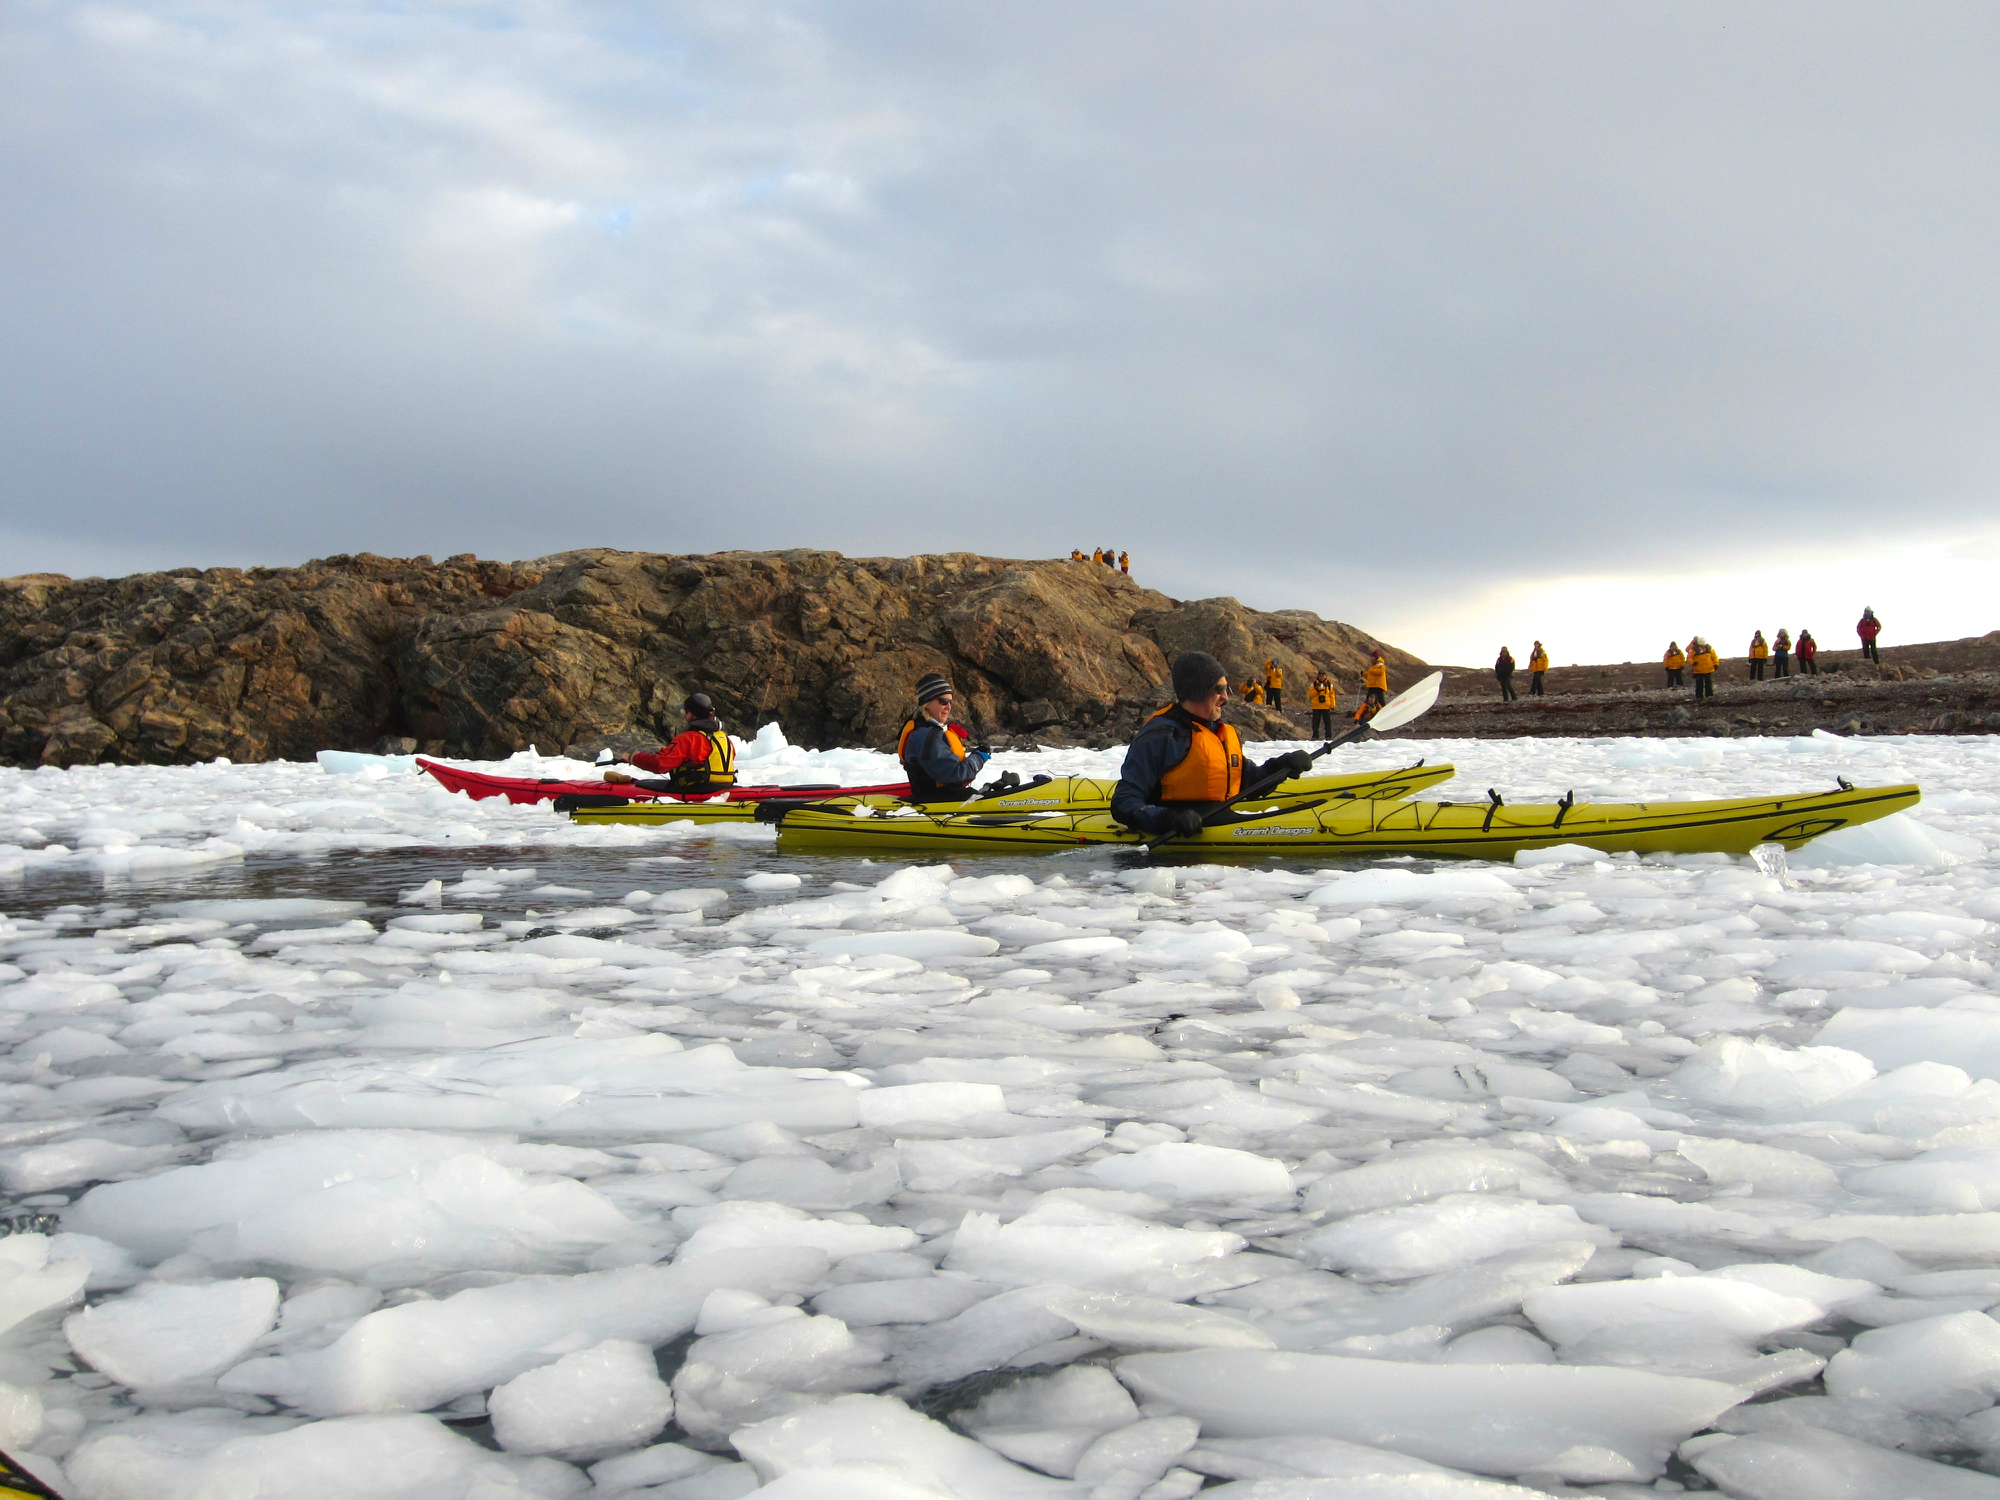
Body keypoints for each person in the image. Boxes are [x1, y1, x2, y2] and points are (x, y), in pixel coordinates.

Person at [1110, 652, 1316, 837]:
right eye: (1220, 689)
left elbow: (1248, 781)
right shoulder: (1162, 736)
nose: (1226, 697)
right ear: (1198, 690)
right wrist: (1168, 819)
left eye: (1227, 689)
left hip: (1219, 819)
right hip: (1181, 836)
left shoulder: (1218, 732)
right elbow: (1124, 802)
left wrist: (1282, 766)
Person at [601, 694, 737, 792]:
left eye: (687, 712)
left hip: (696, 791)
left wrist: (633, 758)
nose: (684, 716)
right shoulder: (723, 737)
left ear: (694, 715)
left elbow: (661, 765)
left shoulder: (689, 738)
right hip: (723, 789)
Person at [897, 673, 990, 802]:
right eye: (943, 701)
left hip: (943, 796)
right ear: (927, 703)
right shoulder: (925, 734)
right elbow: (952, 774)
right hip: (935, 801)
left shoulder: (928, 730)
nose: (949, 707)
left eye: (950, 702)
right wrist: (979, 757)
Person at [1308, 670, 1338, 736]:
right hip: (1316, 706)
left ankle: (1328, 736)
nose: (1321, 677)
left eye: (1323, 676)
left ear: (1325, 676)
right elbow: (1310, 694)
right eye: (1320, 676)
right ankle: (1315, 735)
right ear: (1318, 676)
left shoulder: (1329, 685)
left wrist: (1333, 705)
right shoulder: (1314, 685)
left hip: (1326, 706)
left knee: (1327, 722)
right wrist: (1317, 690)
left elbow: (1332, 695)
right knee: (1315, 722)